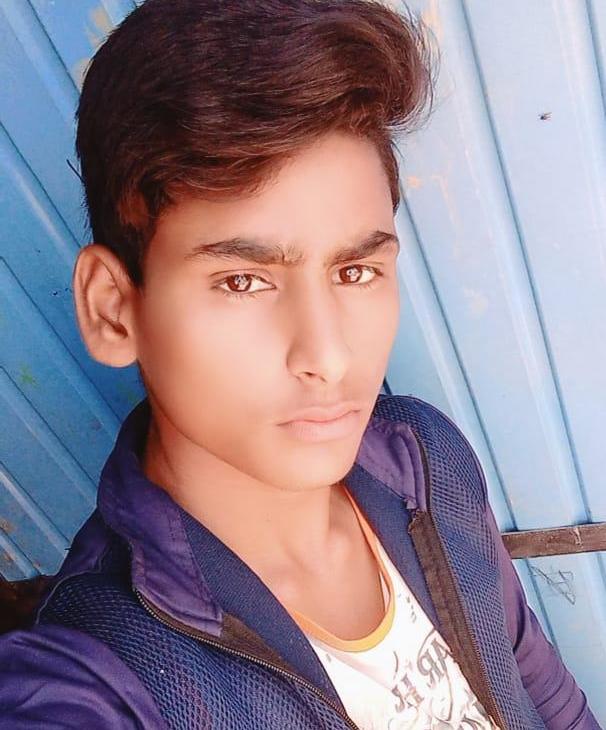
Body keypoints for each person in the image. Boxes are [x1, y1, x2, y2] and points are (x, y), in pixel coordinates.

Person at [0, 0, 600, 728]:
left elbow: (546, 695)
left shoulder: (423, 458)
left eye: (355, 271)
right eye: (243, 281)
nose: (330, 355)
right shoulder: (101, 676)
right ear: (113, 310)